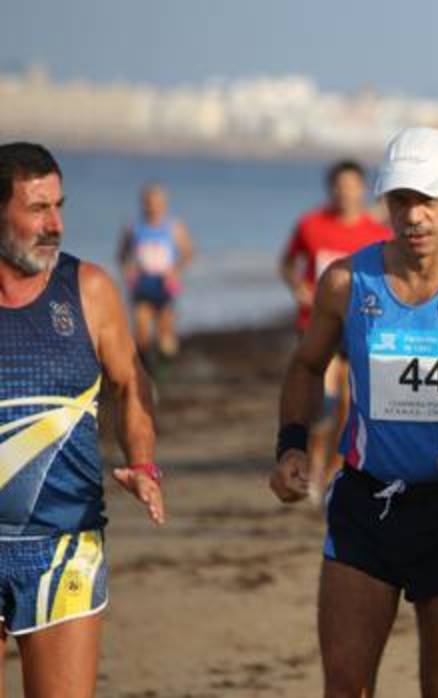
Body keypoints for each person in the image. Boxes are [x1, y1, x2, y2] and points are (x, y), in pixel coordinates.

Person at [269, 127, 438, 698]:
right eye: (401, 200)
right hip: (365, 504)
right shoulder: (348, 281)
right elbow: (306, 366)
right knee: (345, 687)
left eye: (427, 198)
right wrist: (291, 446)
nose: (414, 216)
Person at [0, 142, 164, 697]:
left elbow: (129, 384)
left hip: (64, 544)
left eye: (59, 207)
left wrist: (143, 463)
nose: (55, 225)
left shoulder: (89, 290)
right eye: (37, 209)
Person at [280, 160, 391, 502]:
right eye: (339, 185)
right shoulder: (311, 224)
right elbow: (287, 263)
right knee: (325, 402)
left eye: (352, 185)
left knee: (349, 400)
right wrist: (297, 287)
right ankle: (311, 463)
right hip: (317, 323)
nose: (345, 192)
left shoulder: (377, 233)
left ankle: (333, 470)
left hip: (360, 327)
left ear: (362, 189)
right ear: (330, 188)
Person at [117, 182, 194, 369]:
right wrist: (128, 270)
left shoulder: (174, 227)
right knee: (142, 333)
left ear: (164, 203)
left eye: (157, 202)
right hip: (142, 284)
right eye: (149, 202)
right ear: (143, 203)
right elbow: (122, 254)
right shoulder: (133, 227)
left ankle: (164, 367)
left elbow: (188, 252)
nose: (153, 206)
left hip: (164, 285)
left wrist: (175, 270)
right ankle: (147, 373)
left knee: (165, 337)